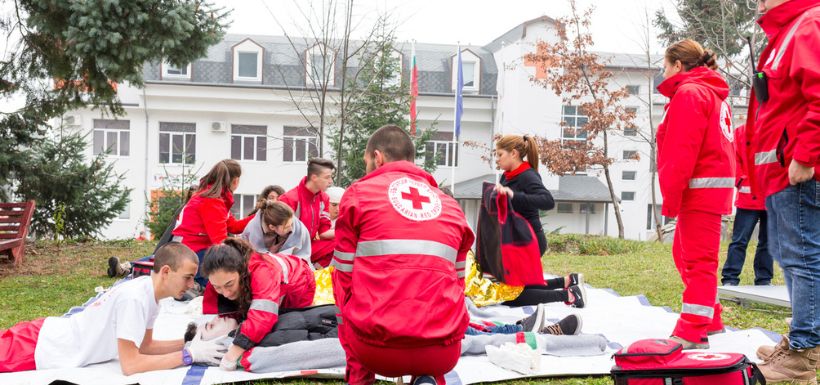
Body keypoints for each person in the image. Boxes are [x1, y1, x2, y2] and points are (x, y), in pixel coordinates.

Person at [331, 125, 475, 385]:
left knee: (344, 293)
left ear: (378, 158)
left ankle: (361, 379)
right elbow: (459, 283)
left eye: (366, 163)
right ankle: (428, 378)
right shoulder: (451, 206)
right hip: (442, 351)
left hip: (376, 350)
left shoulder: (358, 195)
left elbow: (343, 279)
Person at [0, 243, 226, 374]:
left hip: (43, 335)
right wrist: (188, 356)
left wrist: (189, 341)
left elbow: (144, 346)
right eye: (187, 278)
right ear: (166, 271)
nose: (191, 285)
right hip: (37, 347)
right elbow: (131, 364)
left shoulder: (150, 295)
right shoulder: (135, 299)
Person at [745, 0, 820, 382]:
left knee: (803, 260)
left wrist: (805, 155)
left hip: (799, 170)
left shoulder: (808, 24)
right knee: (794, 259)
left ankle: (804, 353)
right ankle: (799, 342)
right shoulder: (788, 31)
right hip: (783, 171)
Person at [656, 39, 735, 349]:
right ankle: (710, 317)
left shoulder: (690, 93)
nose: (663, 74)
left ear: (678, 65)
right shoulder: (711, 93)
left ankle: (692, 329)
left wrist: (671, 197)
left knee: (698, 261)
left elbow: (681, 150)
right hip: (709, 186)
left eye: (664, 67)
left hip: (699, 188)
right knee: (684, 254)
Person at [493, 134, 586, 308]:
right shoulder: (507, 176)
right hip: (517, 241)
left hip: (531, 241)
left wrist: (514, 195)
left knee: (512, 296)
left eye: (499, 154)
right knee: (521, 286)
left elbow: (547, 201)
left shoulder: (527, 176)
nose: (497, 159)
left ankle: (570, 295)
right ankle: (567, 282)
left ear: (513, 153)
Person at [200, 237, 316, 371]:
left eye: (229, 284)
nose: (225, 293)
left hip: (301, 282)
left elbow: (263, 316)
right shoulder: (219, 274)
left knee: (285, 325)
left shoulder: (263, 271)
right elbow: (218, 309)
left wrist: (234, 352)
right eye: (217, 287)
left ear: (241, 271)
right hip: (276, 274)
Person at [172, 159, 254, 288]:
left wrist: (259, 216)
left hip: (187, 249)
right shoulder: (212, 202)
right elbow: (220, 242)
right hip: (193, 253)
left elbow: (234, 226)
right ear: (235, 181)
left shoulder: (212, 197)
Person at [720, 124, 774, 286]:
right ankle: (730, 278)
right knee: (739, 241)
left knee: (768, 242)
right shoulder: (741, 132)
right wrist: (741, 180)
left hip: (770, 197)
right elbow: (733, 158)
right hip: (748, 197)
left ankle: (764, 280)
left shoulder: (776, 129)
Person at [279, 158, 336, 268]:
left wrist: (348, 231)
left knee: (341, 242)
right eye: (327, 177)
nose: (331, 181)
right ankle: (305, 270)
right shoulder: (289, 199)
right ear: (314, 177)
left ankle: (312, 272)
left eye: (331, 177)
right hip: (286, 250)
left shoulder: (324, 198)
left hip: (308, 247)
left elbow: (324, 233)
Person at [241, 200, 312, 263]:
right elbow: (253, 259)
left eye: (291, 224)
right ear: (272, 227)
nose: (291, 229)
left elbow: (303, 255)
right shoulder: (252, 231)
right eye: (286, 227)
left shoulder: (298, 227)